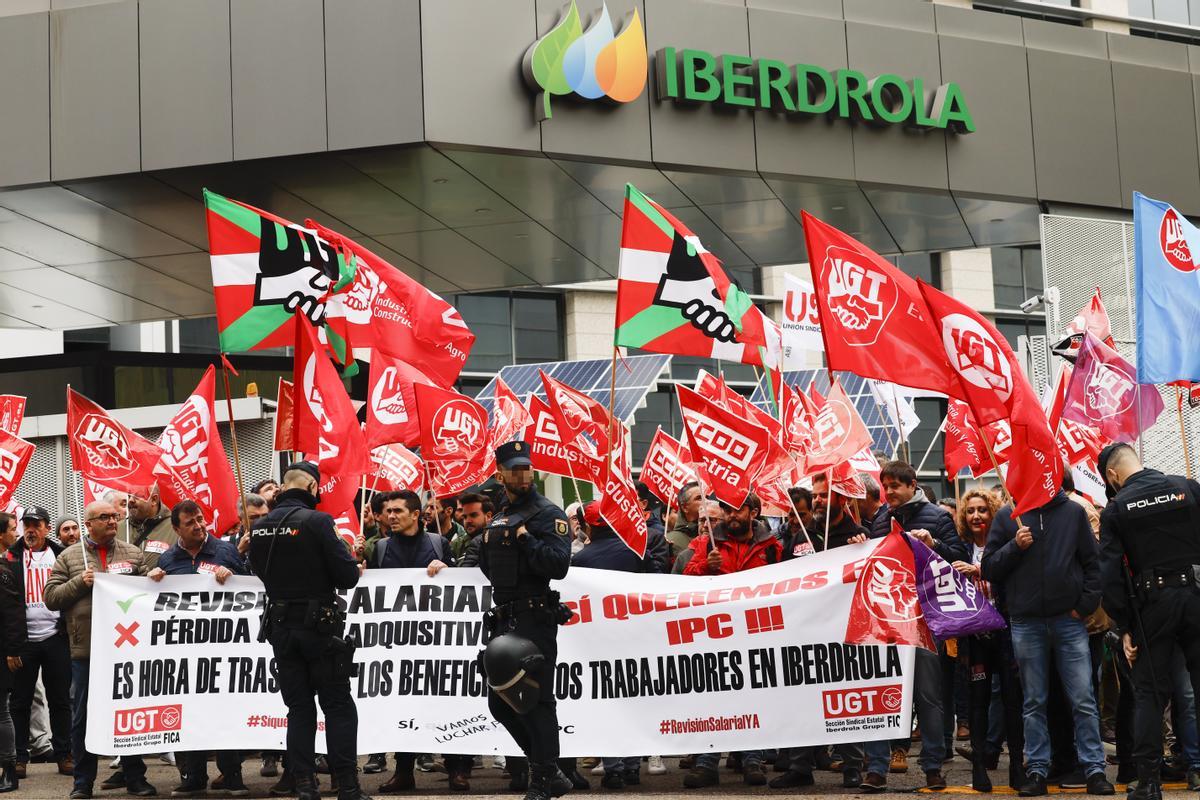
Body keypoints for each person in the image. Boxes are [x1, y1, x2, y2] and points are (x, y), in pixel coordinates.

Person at [983, 482, 1113, 797]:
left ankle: (1094, 770)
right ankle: (1037, 770)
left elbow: (1093, 564)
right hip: (1026, 622)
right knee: (1034, 701)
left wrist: (1083, 605)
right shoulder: (1006, 516)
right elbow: (989, 568)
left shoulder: (1072, 512)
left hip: (1067, 622)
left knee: (1083, 698)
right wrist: (1015, 546)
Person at [246, 462, 367, 800]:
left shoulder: (260, 526)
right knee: (338, 707)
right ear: (313, 488)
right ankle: (348, 787)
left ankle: (304, 786)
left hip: (281, 629)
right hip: (320, 630)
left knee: (299, 710)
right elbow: (347, 577)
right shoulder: (318, 521)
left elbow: (258, 570)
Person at [1097, 443, 1200, 800]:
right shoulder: (1188, 487)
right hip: (1197, 595)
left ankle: (1149, 782)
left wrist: (1124, 624)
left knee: (1149, 693)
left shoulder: (1117, 509)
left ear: (1112, 476)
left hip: (1153, 605)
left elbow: (1108, 575)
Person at [478, 441, 572, 800]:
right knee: (500, 703)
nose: (523, 476)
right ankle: (550, 771)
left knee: (538, 700)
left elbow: (557, 565)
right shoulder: (500, 514)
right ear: (500, 473)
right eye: (515, 470)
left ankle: (544, 780)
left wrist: (526, 540)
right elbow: (489, 566)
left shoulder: (547, 513)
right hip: (504, 620)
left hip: (535, 618)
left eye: (527, 469)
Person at [44, 501, 156, 800]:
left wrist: (154, 579)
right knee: (83, 718)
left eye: (114, 516)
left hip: (127, 649)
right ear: (88, 523)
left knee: (129, 714)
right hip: (87, 652)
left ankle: (135, 777)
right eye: (104, 517)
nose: (111, 520)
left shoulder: (133, 552)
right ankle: (83, 782)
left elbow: (151, 591)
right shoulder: (69, 557)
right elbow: (51, 598)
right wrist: (80, 583)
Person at [863, 461, 963, 792]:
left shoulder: (937, 517)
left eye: (895, 486)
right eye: (885, 486)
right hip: (887, 619)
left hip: (923, 619)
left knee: (928, 696)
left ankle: (933, 765)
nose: (889, 492)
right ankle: (877, 767)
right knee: (882, 693)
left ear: (912, 485)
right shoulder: (881, 518)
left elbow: (958, 559)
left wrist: (934, 545)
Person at [146, 500, 249, 796]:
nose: (199, 526)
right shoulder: (167, 560)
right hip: (183, 652)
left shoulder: (225, 552)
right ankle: (193, 776)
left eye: (201, 519)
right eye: (190, 522)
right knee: (186, 712)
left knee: (224, 711)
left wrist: (233, 577)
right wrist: (153, 581)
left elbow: (249, 589)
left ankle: (232, 775)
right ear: (176, 528)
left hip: (221, 649)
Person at [365, 490, 463, 793]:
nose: (391, 515)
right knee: (401, 704)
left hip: (436, 640)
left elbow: (462, 586)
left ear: (416, 515)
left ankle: (456, 770)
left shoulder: (439, 544)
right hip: (397, 641)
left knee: (445, 702)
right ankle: (403, 770)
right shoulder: (379, 548)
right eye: (388, 511)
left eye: (398, 511)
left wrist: (448, 571)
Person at [771, 482, 866, 791]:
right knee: (802, 696)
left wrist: (862, 548)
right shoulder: (802, 536)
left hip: (843, 632)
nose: (820, 501)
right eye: (817, 496)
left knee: (844, 698)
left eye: (826, 495)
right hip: (805, 628)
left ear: (842, 498)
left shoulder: (859, 537)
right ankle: (800, 766)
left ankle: (853, 765)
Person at [682, 493, 780, 788]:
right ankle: (706, 763)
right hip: (714, 635)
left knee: (752, 696)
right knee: (712, 698)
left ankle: (752, 761)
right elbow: (684, 580)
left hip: (755, 634)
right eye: (727, 510)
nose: (732, 515)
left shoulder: (772, 548)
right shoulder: (705, 544)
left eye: (739, 510)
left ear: (754, 512)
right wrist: (704, 568)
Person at [571, 502, 662, 789]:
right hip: (636, 636)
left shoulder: (581, 560)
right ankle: (633, 767)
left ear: (589, 526)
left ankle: (614, 770)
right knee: (635, 699)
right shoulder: (635, 552)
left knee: (608, 703)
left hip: (599, 640)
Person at [950, 490, 1024, 792]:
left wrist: (983, 572)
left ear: (993, 513)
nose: (976, 516)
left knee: (1011, 700)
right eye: (970, 511)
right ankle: (979, 766)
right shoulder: (962, 548)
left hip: (1005, 631)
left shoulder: (1004, 544)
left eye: (982, 510)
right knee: (977, 702)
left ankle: (1017, 765)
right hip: (975, 638)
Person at [4, 507, 70, 778]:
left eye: (36, 524)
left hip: (56, 636)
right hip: (24, 642)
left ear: (46, 528)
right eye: (26, 525)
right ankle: (20, 757)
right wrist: (11, 646)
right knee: (20, 701)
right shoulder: (10, 556)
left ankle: (64, 754)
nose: (30, 529)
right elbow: (6, 605)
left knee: (60, 700)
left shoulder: (60, 554)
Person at [0, 513, 25, 793]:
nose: (15, 534)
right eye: (11, 529)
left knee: (1, 711)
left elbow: (13, 615)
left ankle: (9, 769)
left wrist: (12, 650)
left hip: (2, 652)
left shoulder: (4, 571)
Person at [128, 488, 176, 568]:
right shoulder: (115, 528)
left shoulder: (176, 528)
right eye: (129, 495)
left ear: (154, 500)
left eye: (137, 496)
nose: (130, 500)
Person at [665, 483, 702, 559]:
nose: (706, 502)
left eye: (707, 497)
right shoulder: (670, 541)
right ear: (685, 507)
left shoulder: (715, 535)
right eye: (699, 498)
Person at [456, 493, 493, 569]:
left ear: (488, 516)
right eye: (465, 517)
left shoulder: (498, 541)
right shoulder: (456, 544)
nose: (468, 521)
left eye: (473, 515)